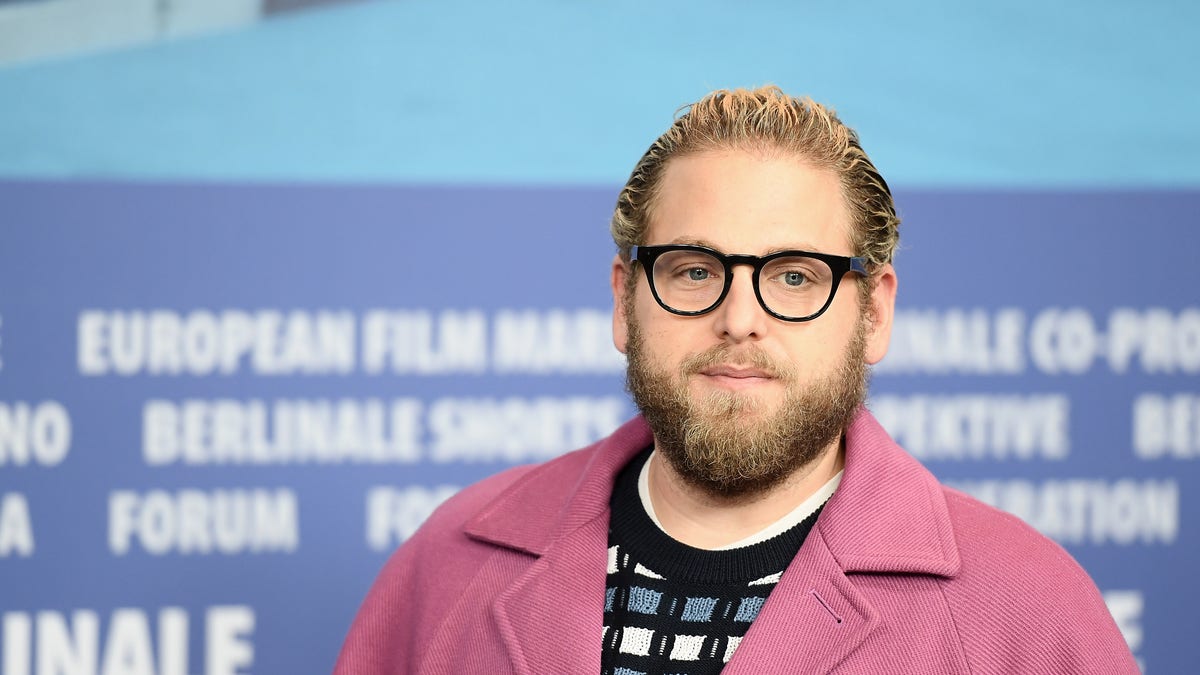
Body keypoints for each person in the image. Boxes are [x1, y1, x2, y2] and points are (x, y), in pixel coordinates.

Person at [335, 86, 1137, 674]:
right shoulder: (448, 561)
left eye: (794, 277)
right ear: (624, 298)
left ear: (876, 314)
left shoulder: (1028, 611)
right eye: (693, 270)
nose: (740, 318)